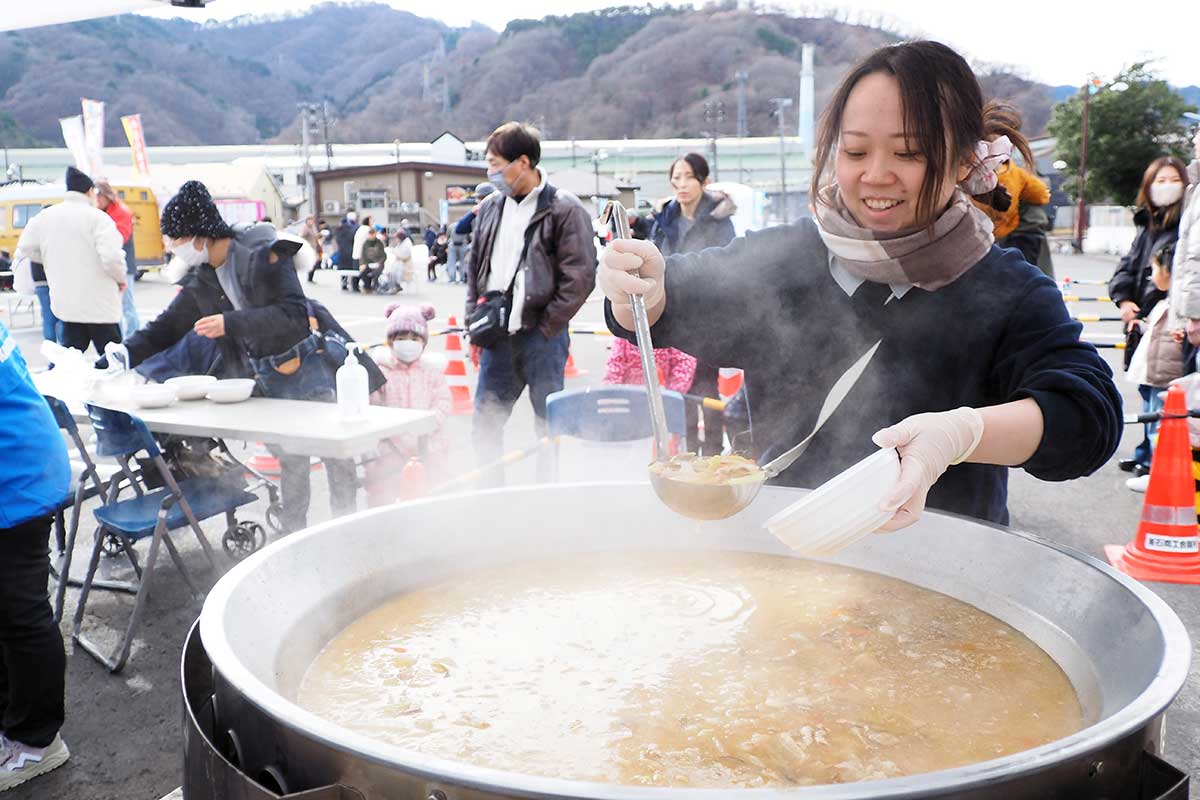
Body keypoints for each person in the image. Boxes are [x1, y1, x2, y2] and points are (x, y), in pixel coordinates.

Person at [600, 40, 1122, 530]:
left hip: (943, 567)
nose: (876, 174)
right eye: (855, 152)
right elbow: (674, 298)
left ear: (965, 160)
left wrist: (962, 434)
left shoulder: (1006, 289)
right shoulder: (786, 257)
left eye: (909, 153)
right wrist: (643, 289)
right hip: (780, 551)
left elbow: (1089, 416)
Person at [107, 181, 356, 534]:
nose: (174, 248)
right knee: (291, 459)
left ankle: (349, 528)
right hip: (264, 376)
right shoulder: (204, 277)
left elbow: (294, 314)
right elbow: (167, 326)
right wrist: (124, 352)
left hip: (305, 367)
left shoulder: (265, 254)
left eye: (176, 239)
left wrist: (230, 322)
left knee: (336, 452)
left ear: (199, 234)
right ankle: (294, 535)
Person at [465, 122, 597, 485]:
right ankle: (491, 496)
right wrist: (473, 325)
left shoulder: (564, 209)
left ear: (522, 162)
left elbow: (580, 276)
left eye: (495, 164)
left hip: (543, 338)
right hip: (496, 338)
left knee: (549, 427)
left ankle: (547, 496)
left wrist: (548, 325)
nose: (490, 172)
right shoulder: (491, 208)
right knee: (484, 425)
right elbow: (475, 270)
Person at [0, 321, 72, 793]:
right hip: (23, 461)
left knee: (19, 612)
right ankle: (12, 719)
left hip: (17, 476)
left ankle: (37, 742)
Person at [650, 152, 737, 456]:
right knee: (680, 387)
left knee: (706, 386)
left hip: (707, 317)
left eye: (689, 177)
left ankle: (712, 452)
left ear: (704, 181)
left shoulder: (719, 220)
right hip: (672, 315)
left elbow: (726, 267)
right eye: (676, 178)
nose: (682, 184)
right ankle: (687, 450)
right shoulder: (664, 219)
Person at [1109, 156, 1188, 477]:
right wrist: (1124, 300)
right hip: (1143, 321)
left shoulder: (1185, 224)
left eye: (1174, 180)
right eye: (1160, 180)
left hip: (1168, 319)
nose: (1167, 186)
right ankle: (1145, 455)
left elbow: (1170, 277)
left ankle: (1158, 464)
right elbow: (1127, 267)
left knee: (1162, 393)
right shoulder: (1147, 224)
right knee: (1147, 388)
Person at [14, 167, 126, 354]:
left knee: (70, 361)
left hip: (67, 305)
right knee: (112, 360)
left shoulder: (45, 217)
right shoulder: (99, 218)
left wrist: (49, 258)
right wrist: (120, 278)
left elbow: (24, 249)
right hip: (100, 305)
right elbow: (112, 257)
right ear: (89, 191)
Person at [365, 303, 451, 503]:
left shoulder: (431, 371)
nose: (408, 343)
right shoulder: (380, 371)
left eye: (414, 338)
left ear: (423, 342)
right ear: (390, 341)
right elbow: (372, 408)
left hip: (428, 447)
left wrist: (429, 424)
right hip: (389, 450)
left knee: (428, 494)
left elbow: (443, 401)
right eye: (401, 338)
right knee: (384, 495)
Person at [1123, 242, 1183, 492]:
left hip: (1164, 375)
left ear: (1168, 271)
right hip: (1153, 374)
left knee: (1160, 428)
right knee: (1152, 425)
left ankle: (1157, 473)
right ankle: (1151, 466)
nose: (1152, 276)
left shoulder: (1177, 306)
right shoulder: (1164, 302)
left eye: (1155, 269)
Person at [95, 180, 139, 337]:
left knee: (127, 305)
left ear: (106, 196)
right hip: (108, 266)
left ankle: (133, 337)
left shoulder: (121, 212)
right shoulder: (101, 212)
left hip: (124, 265)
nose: (96, 200)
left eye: (99, 196)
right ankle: (119, 338)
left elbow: (120, 238)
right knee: (114, 307)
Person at [451, 183, 495, 285]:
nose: (478, 201)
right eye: (479, 198)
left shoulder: (499, 212)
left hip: (495, 254)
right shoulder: (476, 215)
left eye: (481, 198)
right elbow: (459, 229)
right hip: (480, 255)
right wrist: (472, 213)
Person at [353, 227, 386, 292]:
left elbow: (383, 255)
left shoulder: (379, 243)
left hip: (378, 263)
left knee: (376, 272)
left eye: (372, 234)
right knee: (363, 273)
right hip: (368, 263)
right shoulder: (366, 243)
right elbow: (363, 256)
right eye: (370, 234)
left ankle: (375, 286)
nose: (371, 235)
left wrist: (380, 262)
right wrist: (363, 264)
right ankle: (367, 287)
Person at [333, 212, 358, 289]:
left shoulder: (339, 229)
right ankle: (354, 285)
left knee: (343, 268)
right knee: (352, 268)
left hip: (342, 251)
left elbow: (337, 240)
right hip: (351, 251)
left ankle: (344, 282)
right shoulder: (354, 228)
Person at [299, 214, 322, 283]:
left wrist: (319, 235)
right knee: (313, 262)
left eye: (312, 219)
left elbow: (315, 236)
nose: (311, 221)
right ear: (307, 221)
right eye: (309, 220)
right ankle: (309, 277)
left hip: (314, 246)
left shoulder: (313, 227)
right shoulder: (305, 228)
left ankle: (310, 277)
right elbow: (301, 236)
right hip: (309, 247)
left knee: (316, 261)